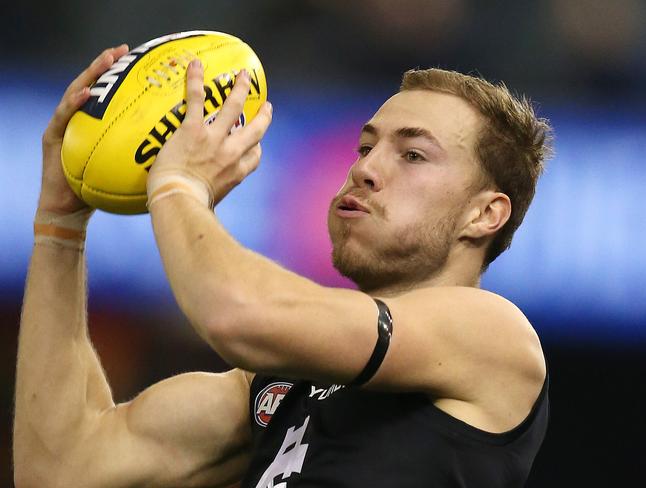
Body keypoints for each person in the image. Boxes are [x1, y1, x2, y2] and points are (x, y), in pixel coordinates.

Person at [14, 44, 551, 488]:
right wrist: (60, 225)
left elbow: (238, 315)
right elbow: (64, 468)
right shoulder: (278, 383)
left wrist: (179, 185)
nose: (365, 167)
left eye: (412, 155)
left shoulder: (494, 336)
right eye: (366, 146)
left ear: (485, 214)